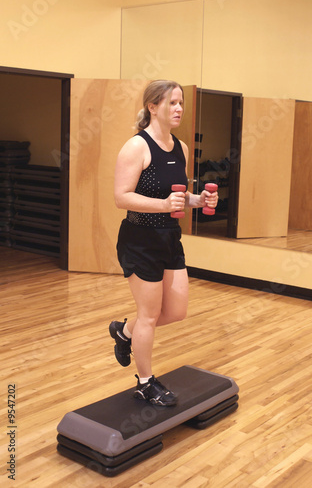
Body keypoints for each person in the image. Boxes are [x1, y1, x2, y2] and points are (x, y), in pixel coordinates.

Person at [110, 79, 218, 407]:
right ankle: (145, 383)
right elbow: (120, 197)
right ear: (152, 107)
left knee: (177, 311)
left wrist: (197, 200)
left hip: (169, 238)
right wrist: (162, 206)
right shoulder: (136, 147)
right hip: (140, 239)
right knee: (149, 314)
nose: (179, 109)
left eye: (181, 103)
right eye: (171, 103)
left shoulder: (181, 148)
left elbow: (178, 195)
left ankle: (124, 332)